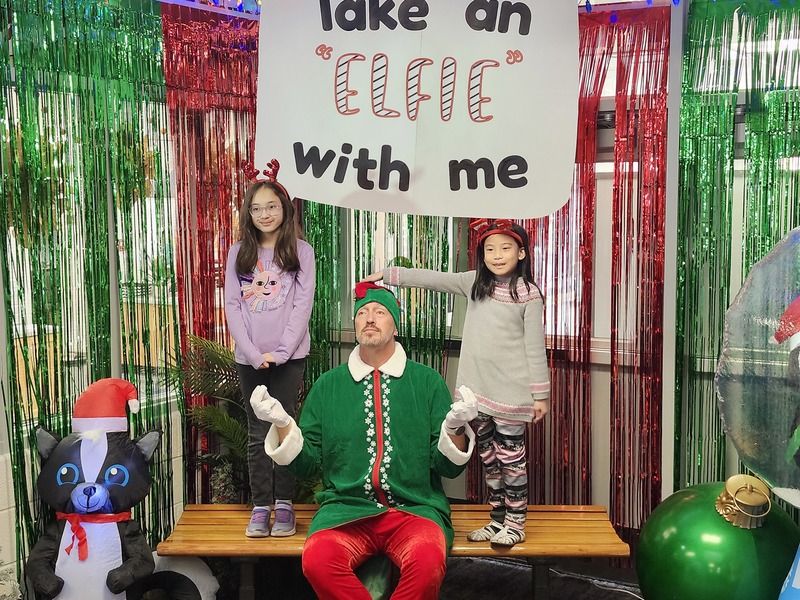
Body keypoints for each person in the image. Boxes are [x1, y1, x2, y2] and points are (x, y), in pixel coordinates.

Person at [249, 282, 476, 600]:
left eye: (380, 312)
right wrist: (284, 425)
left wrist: (454, 428)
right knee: (317, 560)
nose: (370, 318)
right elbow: (308, 465)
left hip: (415, 510)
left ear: (395, 326)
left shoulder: (427, 382)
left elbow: (446, 468)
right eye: (362, 313)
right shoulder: (328, 385)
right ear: (355, 324)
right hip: (345, 512)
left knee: (427, 562)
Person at [365, 218, 550, 547]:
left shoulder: (528, 294)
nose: (496, 255)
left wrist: (540, 395)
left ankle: (516, 522)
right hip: (477, 393)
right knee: (489, 459)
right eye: (490, 249)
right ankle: (497, 521)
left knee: (511, 459)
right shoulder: (475, 282)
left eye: (505, 248)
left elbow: (535, 347)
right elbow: (434, 279)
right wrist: (390, 275)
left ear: (521, 253)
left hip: (511, 395)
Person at [224, 162, 315, 538]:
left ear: (285, 209)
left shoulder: (301, 253)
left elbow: (302, 304)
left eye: (272, 206)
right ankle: (261, 506)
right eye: (257, 208)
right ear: (248, 212)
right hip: (250, 358)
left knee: (285, 426)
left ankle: (285, 505)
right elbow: (233, 306)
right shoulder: (237, 253)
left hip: (289, 357)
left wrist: (279, 352)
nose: (265, 214)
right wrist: (251, 351)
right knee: (256, 429)